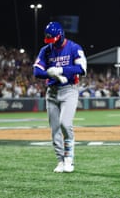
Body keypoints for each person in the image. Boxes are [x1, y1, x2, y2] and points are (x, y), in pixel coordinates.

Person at [33, 21, 87, 173]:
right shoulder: (46, 50)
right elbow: (37, 71)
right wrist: (50, 73)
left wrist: (61, 70)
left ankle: (69, 157)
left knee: (65, 123)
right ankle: (60, 160)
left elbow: (82, 69)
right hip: (52, 92)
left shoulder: (74, 47)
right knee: (55, 128)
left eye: (54, 40)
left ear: (61, 35)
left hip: (69, 90)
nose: (52, 44)